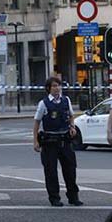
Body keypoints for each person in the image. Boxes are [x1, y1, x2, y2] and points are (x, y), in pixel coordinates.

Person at [32, 77, 83, 207]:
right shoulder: (43, 103)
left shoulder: (66, 100)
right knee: (51, 171)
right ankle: (54, 198)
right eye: (54, 86)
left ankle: (73, 196)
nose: (57, 88)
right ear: (49, 88)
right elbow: (37, 122)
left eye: (59, 86)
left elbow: (71, 115)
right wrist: (35, 141)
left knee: (70, 170)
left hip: (65, 140)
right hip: (50, 141)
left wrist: (72, 126)